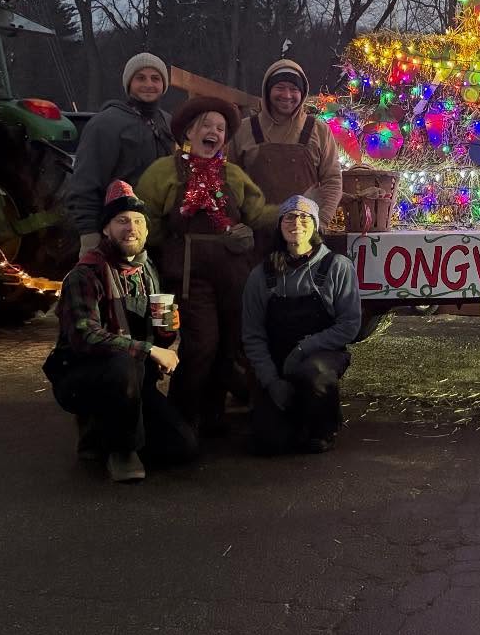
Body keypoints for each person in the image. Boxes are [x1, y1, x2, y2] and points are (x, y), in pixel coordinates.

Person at [135, 95, 277, 433]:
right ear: (189, 131)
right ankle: (181, 418)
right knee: (201, 345)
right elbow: (145, 220)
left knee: (229, 346)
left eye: (221, 128)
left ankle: (213, 418)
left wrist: (295, 210)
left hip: (233, 276)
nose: (214, 132)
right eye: (206, 126)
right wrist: (165, 243)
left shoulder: (234, 175)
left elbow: (258, 213)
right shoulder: (163, 172)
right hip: (187, 277)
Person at [42, 180, 198, 482]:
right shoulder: (85, 274)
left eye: (138, 221)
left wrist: (167, 332)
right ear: (106, 229)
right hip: (86, 375)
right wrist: (151, 350)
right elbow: (85, 335)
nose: (132, 228)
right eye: (122, 221)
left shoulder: (147, 270)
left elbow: (157, 334)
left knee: (183, 447)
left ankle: (104, 431)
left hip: (136, 381)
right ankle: (121, 450)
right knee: (122, 364)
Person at [241, 195, 364, 454]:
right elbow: (252, 335)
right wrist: (271, 382)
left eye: (305, 216)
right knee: (268, 442)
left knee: (314, 374)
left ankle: (324, 427)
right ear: (280, 225)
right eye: (289, 216)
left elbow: (349, 325)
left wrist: (302, 350)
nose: (297, 222)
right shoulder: (261, 275)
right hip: (277, 362)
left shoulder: (337, 267)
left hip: (320, 357)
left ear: (316, 225)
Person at [67, 53, 175, 255]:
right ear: (129, 83)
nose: (148, 84)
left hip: (159, 236)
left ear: (164, 84)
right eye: (140, 78)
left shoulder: (168, 123)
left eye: (156, 78)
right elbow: (85, 182)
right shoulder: (105, 124)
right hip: (119, 235)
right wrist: (89, 234)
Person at [231, 59, 343, 232]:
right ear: (267, 90)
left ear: (302, 93)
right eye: (280, 87)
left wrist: (322, 221)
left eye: (294, 89)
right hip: (255, 235)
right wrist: (234, 224)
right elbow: (231, 180)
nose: (287, 95)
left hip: (303, 236)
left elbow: (332, 180)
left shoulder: (318, 130)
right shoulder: (244, 129)